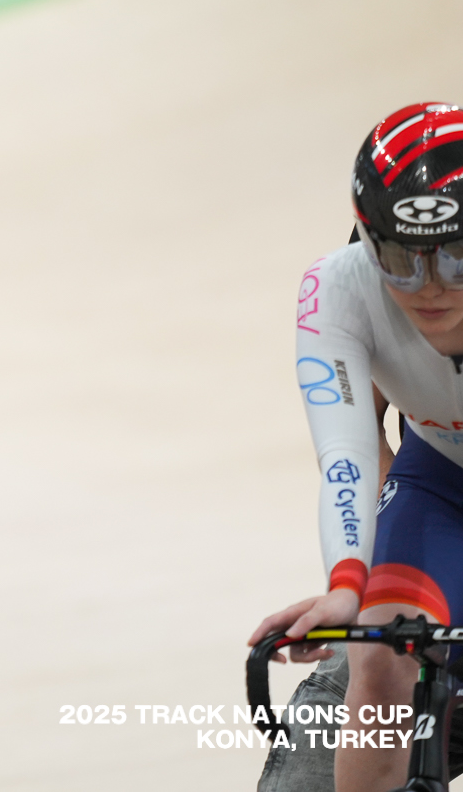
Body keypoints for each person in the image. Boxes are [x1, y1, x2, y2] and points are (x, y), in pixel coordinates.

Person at [251, 101, 463, 792]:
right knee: (379, 657)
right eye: (402, 260)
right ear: (367, 241)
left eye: (457, 259)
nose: (430, 288)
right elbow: (346, 453)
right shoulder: (338, 289)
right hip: (440, 478)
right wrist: (348, 584)